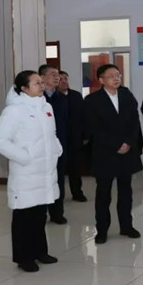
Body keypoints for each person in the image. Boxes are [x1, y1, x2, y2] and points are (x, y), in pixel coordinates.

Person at [0, 71, 62, 272]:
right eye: (37, 83)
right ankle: (24, 258)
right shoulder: (14, 110)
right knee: (24, 216)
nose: (42, 86)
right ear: (23, 88)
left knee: (40, 214)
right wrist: (24, 157)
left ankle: (40, 251)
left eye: (42, 82)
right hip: (26, 171)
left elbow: (52, 134)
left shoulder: (46, 106)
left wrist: (57, 149)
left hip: (45, 170)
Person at [84, 64, 142, 244]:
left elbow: (135, 121)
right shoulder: (92, 100)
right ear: (101, 79)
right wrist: (116, 144)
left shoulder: (126, 95)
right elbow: (94, 128)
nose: (116, 78)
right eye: (111, 76)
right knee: (103, 194)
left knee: (126, 192)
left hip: (127, 151)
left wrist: (129, 142)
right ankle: (102, 230)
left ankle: (127, 226)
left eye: (118, 75)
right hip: (105, 152)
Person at [39, 65, 68, 225]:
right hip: (41, 148)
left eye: (58, 75)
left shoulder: (62, 98)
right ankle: (41, 213)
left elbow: (65, 123)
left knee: (58, 181)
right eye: (52, 74)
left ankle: (57, 213)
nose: (57, 77)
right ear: (42, 78)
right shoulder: (37, 99)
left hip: (59, 147)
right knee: (42, 182)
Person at [59, 71, 87, 201]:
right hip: (59, 139)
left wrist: (85, 135)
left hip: (75, 137)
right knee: (59, 169)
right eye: (61, 79)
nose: (64, 81)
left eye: (66, 78)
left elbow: (83, 116)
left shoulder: (76, 96)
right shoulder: (53, 98)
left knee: (75, 168)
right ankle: (58, 196)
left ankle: (77, 192)